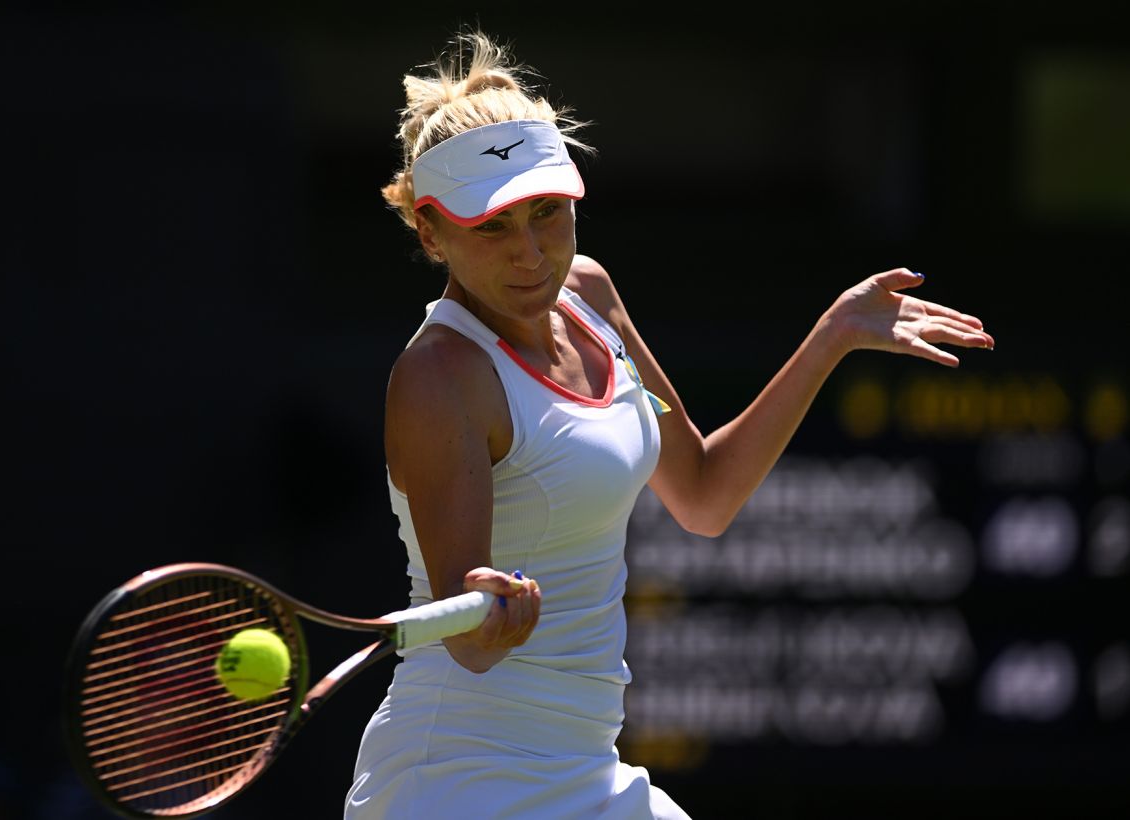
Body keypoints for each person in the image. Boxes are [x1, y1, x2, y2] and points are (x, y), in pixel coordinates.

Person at [345, 31, 993, 819]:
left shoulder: (591, 297)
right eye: (493, 228)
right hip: (458, 781)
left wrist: (833, 336)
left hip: (588, 769)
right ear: (431, 232)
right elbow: (469, 643)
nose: (531, 254)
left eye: (547, 214)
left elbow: (705, 495)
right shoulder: (438, 376)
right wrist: (487, 608)